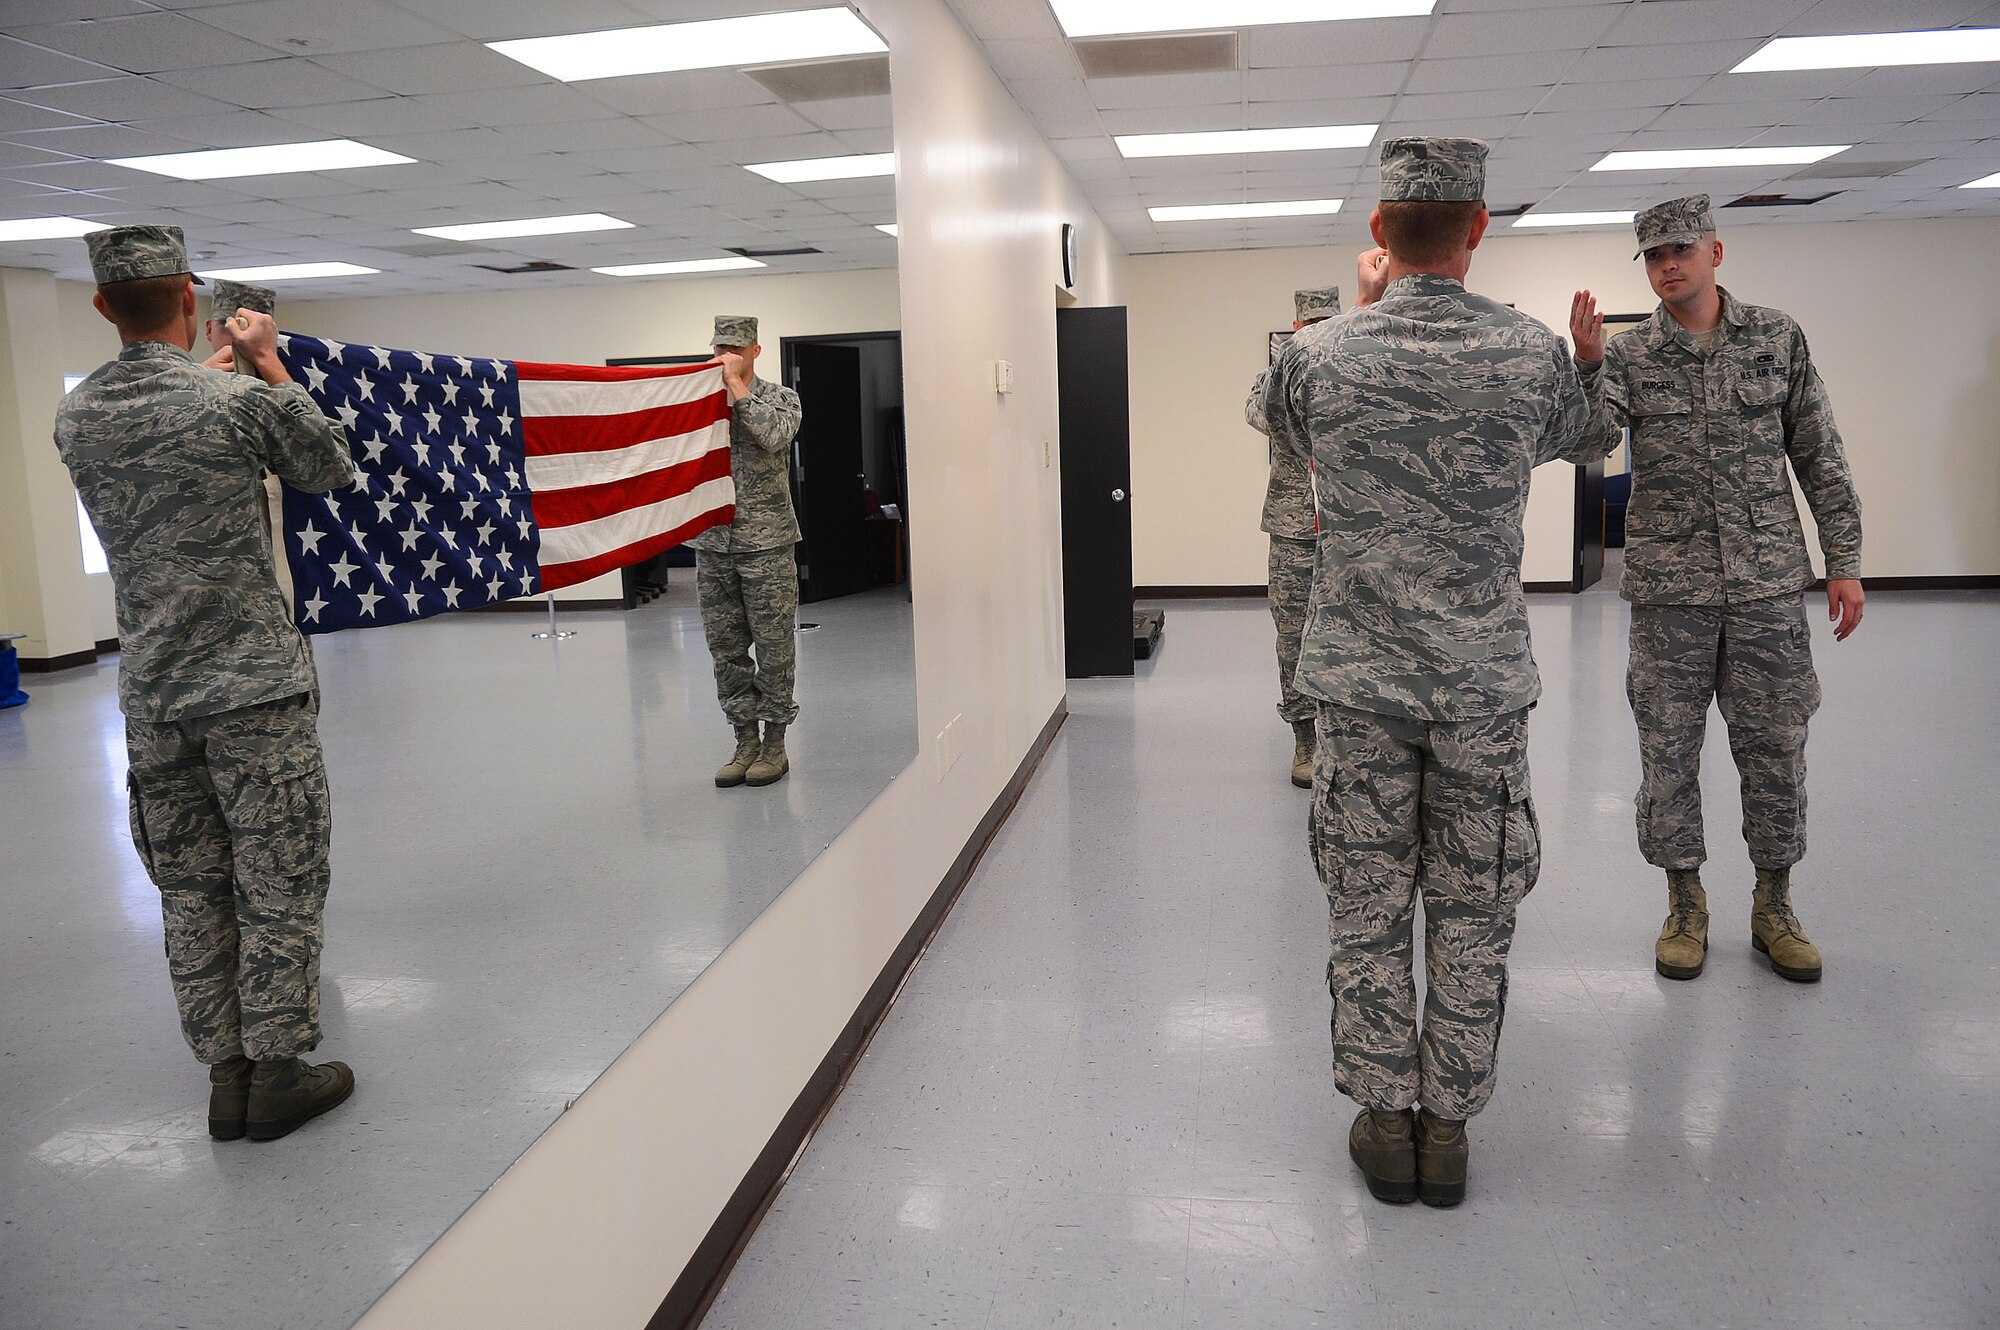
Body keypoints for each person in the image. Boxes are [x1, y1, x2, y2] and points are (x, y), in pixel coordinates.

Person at [1264, 138, 1614, 1207]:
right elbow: (1588, 437)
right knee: (1472, 915)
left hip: (1358, 692)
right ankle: (1446, 1131)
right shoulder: (1529, 355)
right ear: (1478, 227)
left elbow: (1273, 418)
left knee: (1366, 909)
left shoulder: (1317, 355)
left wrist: (1361, 310)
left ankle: (1384, 1124)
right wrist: (1588, 362)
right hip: (1479, 690)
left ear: (1379, 231)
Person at [54, 225, 359, 1142]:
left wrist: (220, 374)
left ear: (102, 305)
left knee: (190, 888)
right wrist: (267, 361)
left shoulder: (76, 415)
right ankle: (278, 1074)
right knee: (279, 878)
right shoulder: (235, 401)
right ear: (191, 297)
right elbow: (329, 465)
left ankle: (226, 1076)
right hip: (253, 692)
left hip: (154, 697)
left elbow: (166, 425)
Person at [1571, 195, 1863, 984]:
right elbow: (1587, 443)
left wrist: (1843, 559)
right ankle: (1684, 905)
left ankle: (1775, 905)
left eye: (1682, 250)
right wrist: (1588, 367)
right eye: (1655, 255)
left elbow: (1819, 452)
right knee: (1668, 753)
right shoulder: (1631, 355)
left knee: (1777, 749)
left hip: (1767, 587)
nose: (1669, 266)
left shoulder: (1776, 336)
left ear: (1715, 252)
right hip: (1671, 594)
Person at [694, 315, 805, 788]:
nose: (726, 356)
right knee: (726, 651)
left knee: (774, 647)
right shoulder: (697, 403)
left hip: (767, 544)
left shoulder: (779, 398)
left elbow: (773, 437)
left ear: (755, 350)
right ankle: (744, 741)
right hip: (713, 543)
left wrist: (737, 387)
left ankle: (774, 743)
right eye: (720, 348)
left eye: (735, 349)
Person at [1244, 284, 1341, 788]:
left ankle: (1347, 736)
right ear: (1297, 327)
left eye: (1327, 323)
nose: (1318, 332)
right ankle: (1305, 738)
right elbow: (1261, 415)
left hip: (1351, 529)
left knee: (1352, 633)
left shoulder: (1353, 368)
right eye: (1311, 325)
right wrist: (1292, 360)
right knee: (1293, 637)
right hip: (1294, 529)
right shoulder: (1277, 376)